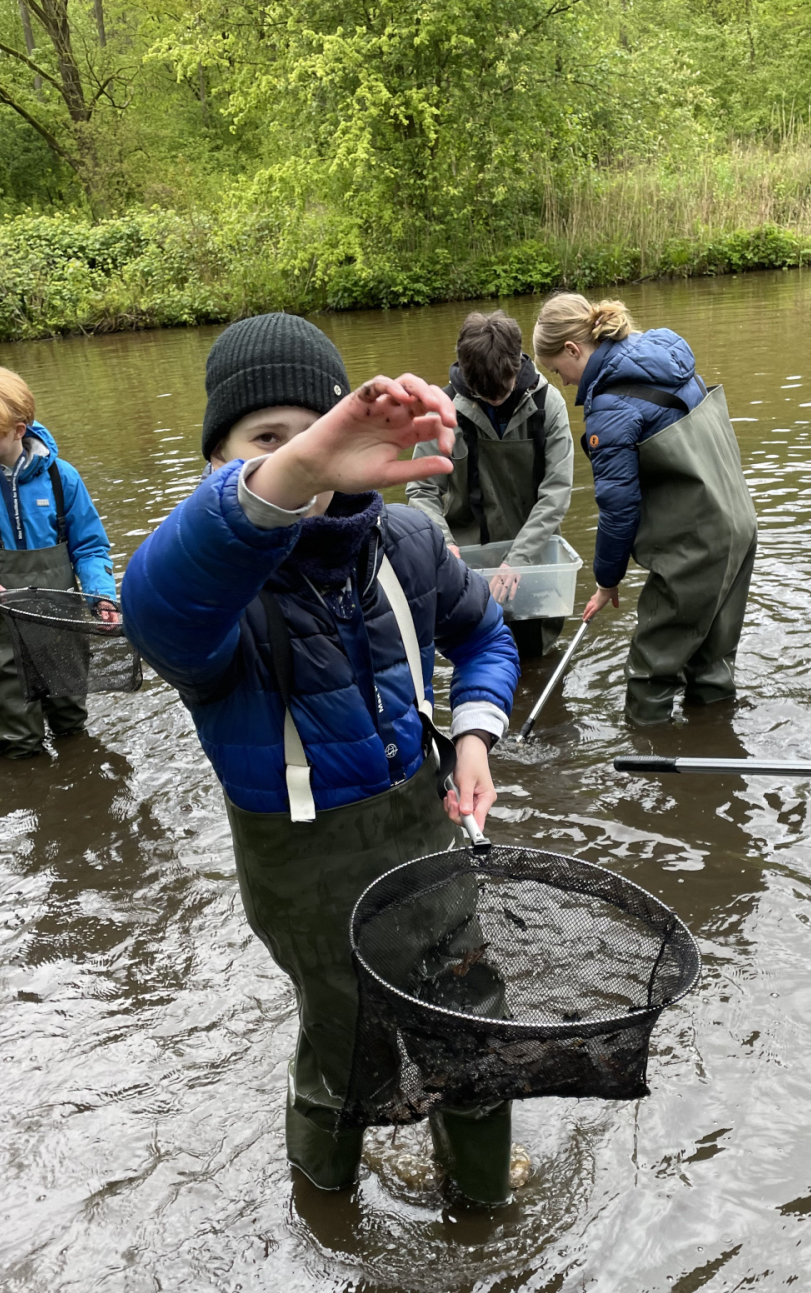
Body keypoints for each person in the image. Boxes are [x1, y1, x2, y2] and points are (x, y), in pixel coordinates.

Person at [120, 312, 521, 1204]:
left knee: (474, 1030)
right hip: (305, 873)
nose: (305, 455)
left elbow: (485, 635)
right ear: (218, 461)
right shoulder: (204, 594)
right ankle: (324, 1198)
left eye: (318, 428)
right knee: (348, 1050)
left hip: (427, 841)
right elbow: (156, 608)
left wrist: (471, 735)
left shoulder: (410, 542)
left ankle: (482, 1203)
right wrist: (296, 474)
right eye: (269, 439)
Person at [532, 293, 757, 726]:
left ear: (574, 350)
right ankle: (714, 753)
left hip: (695, 546)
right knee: (712, 666)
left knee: (649, 673)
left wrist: (606, 581)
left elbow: (618, 509)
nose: (566, 384)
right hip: (738, 521)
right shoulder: (665, 348)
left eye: (559, 371)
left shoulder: (609, 408)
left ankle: (643, 768)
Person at [0, 366, 117, 758]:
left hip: (60, 623)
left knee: (72, 728)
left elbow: (91, 549)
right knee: (17, 747)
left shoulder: (63, 478)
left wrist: (102, 596)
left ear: (18, 429)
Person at [406, 309, 573, 660]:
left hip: (533, 555)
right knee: (478, 656)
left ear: (517, 367)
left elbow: (556, 492)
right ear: (466, 374)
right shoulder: (442, 411)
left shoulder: (548, 405)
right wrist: (445, 546)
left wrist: (519, 559)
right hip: (468, 561)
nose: (495, 400)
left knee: (536, 659)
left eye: (503, 391)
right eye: (484, 394)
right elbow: (422, 491)